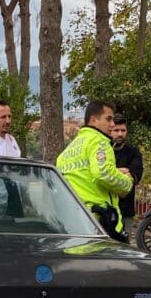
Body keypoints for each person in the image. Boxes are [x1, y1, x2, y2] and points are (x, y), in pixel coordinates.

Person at [56, 100, 134, 241]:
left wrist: (115, 171)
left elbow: (85, 175)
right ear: (93, 120)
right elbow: (102, 174)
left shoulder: (68, 151)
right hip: (99, 222)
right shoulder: (99, 141)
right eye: (108, 119)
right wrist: (128, 182)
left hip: (72, 221)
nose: (112, 124)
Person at [111, 113, 144, 230]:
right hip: (105, 210)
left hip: (125, 211)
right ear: (110, 130)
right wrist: (121, 170)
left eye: (123, 130)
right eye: (116, 130)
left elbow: (136, 175)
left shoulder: (133, 152)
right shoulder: (103, 150)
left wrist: (110, 172)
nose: (120, 134)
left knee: (124, 245)